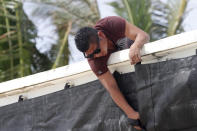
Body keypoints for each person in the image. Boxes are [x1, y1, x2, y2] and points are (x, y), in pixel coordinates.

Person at [74, 16, 149, 130]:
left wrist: (136, 46)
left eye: (96, 51)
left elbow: (143, 35)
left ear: (101, 36)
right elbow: (111, 87)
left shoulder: (110, 24)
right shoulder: (94, 61)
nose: (96, 56)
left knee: (130, 42)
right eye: (89, 55)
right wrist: (131, 115)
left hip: (137, 62)